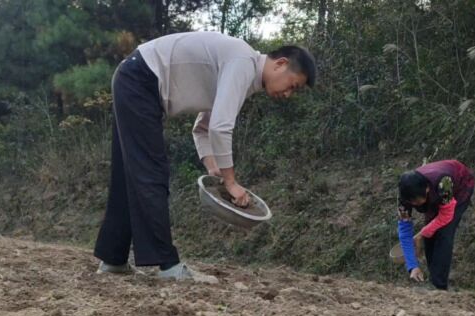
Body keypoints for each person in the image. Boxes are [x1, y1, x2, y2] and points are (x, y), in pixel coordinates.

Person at [93, 31, 317, 283]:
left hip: (134, 78)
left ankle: (113, 259)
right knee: (151, 174)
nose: (288, 94)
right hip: (140, 79)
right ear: (281, 64)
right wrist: (231, 182)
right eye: (293, 85)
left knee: (128, 176)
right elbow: (220, 127)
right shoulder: (243, 61)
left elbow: (202, 128)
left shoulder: (242, 72)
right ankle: (169, 266)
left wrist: (214, 168)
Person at [397, 159, 475, 290]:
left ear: (426, 189)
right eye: (412, 203)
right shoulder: (404, 197)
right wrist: (412, 266)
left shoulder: (443, 182)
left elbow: (446, 215)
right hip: (436, 196)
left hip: (460, 188)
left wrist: (422, 233)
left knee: (444, 232)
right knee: (430, 233)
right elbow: (405, 231)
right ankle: (433, 280)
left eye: (417, 202)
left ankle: (439, 286)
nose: (415, 205)